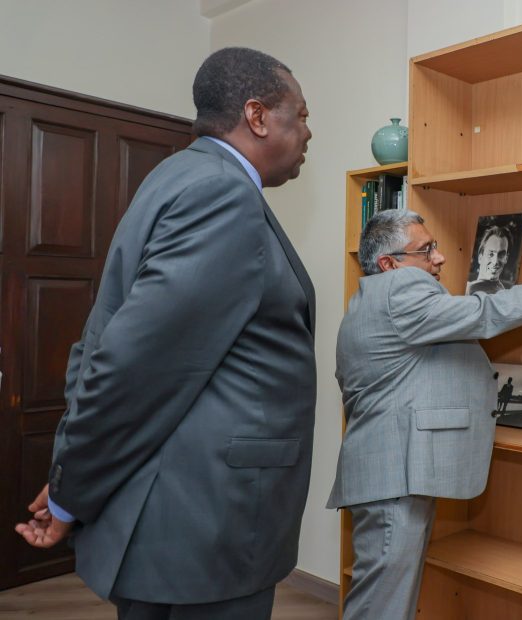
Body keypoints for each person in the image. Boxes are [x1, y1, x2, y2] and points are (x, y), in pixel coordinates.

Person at [14, 47, 315, 620]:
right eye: (299, 115)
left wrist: (70, 478)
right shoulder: (222, 194)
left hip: (178, 516)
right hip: (207, 526)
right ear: (256, 116)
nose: (307, 132)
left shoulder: (178, 175)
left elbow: (101, 344)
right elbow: (133, 367)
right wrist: (71, 491)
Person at [327, 210, 522, 619]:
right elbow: (488, 312)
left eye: (435, 246)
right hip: (393, 475)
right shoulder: (396, 293)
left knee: (387, 599)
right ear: (390, 264)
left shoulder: (369, 301)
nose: (439, 258)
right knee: (381, 606)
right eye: (426, 250)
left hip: (393, 471)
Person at [466, 225, 512, 294]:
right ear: (480, 257)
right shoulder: (468, 285)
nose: (495, 261)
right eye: (491, 254)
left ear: (506, 258)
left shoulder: (499, 295)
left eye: (501, 255)